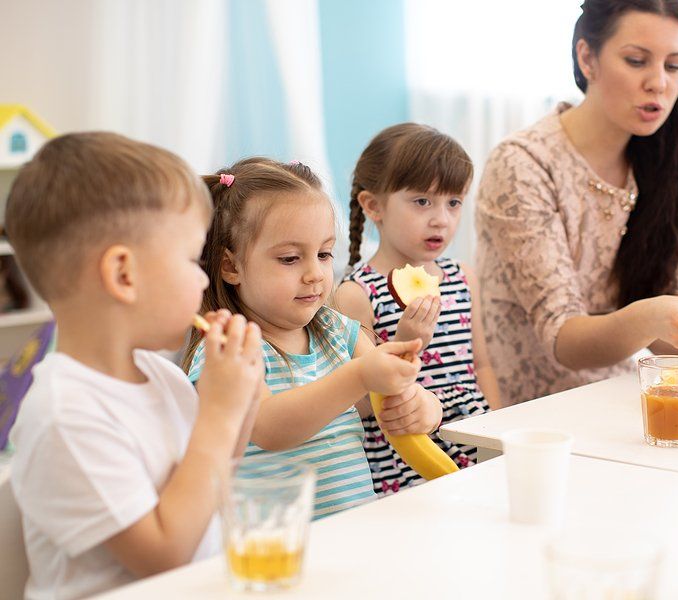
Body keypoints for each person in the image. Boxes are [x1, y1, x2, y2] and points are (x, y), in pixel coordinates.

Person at [475, 0, 678, 406]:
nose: (658, 83)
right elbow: (563, 340)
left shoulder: (663, 164)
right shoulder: (522, 165)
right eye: (637, 61)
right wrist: (652, 317)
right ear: (587, 58)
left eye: (674, 66)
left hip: (621, 404)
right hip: (528, 420)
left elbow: (666, 343)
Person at [6, 132, 263, 599]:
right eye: (192, 260)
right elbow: (164, 555)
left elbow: (218, 465)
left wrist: (242, 394)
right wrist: (219, 411)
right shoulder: (66, 415)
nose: (203, 280)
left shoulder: (159, 373)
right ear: (123, 274)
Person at [184, 158, 443, 517]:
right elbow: (268, 427)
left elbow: (390, 396)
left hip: (355, 531)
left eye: (323, 254)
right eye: (290, 258)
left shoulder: (338, 331)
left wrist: (425, 408)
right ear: (231, 266)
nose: (315, 274)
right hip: (279, 541)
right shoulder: (227, 348)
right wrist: (359, 376)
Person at [337, 124, 500, 495]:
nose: (441, 218)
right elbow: (358, 401)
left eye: (453, 202)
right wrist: (404, 343)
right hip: (407, 457)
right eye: (422, 202)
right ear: (373, 206)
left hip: (474, 440)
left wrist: (499, 428)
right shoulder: (357, 294)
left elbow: (482, 365)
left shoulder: (463, 278)